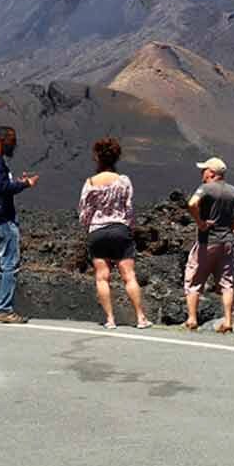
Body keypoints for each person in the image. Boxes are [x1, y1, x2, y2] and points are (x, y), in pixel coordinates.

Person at [78, 136, 151, 330]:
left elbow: (84, 211)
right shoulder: (123, 181)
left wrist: (89, 227)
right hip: (120, 230)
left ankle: (110, 319)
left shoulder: (91, 182)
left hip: (98, 232)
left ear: (97, 158)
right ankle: (141, 318)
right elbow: (128, 208)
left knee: (102, 276)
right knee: (129, 275)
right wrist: (129, 227)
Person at [0, 126, 38, 323]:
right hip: (2, 218)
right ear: (3, 140)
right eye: (12, 141)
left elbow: (0, 186)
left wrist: (16, 183)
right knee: (9, 263)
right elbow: (3, 188)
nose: (14, 145)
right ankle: (4, 309)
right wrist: (25, 184)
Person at [184, 157, 234, 332]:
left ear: (212, 173)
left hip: (208, 242)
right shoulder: (232, 190)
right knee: (226, 283)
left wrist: (200, 222)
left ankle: (192, 319)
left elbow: (191, 204)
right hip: (227, 243)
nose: (202, 173)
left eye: (204, 170)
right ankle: (228, 321)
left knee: (194, 280)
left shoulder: (205, 188)